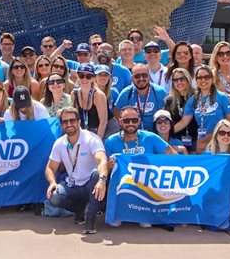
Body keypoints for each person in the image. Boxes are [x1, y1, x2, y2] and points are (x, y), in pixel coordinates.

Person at [45, 106, 109, 234]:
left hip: (91, 185)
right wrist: (52, 182)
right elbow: (50, 168)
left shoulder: (91, 139)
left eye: (72, 121)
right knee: (55, 196)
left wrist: (102, 180)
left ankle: (90, 218)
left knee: (97, 174)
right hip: (73, 185)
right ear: (61, 125)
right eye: (65, 122)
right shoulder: (59, 143)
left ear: (79, 122)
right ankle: (79, 210)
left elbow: (102, 161)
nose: (69, 124)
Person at [181, 65, 230, 152]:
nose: (203, 80)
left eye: (206, 77)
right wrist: (166, 130)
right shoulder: (193, 100)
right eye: (200, 77)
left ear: (212, 79)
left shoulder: (222, 97)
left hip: (219, 140)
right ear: (196, 80)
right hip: (201, 140)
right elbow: (183, 122)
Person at [115, 63, 167, 133]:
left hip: (156, 134)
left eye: (144, 75)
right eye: (137, 76)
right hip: (133, 134)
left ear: (149, 76)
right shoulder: (126, 93)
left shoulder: (160, 92)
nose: (141, 78)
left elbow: (166, 115)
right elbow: (117, 113)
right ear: (132, 78)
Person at [161, 68, 196, 152]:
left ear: (188, 80)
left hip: (196, 138)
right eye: (175, 80)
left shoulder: (197, 97)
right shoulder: (169, 100)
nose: (179, 82)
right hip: (176, 140)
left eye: (182, 79)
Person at [71, 65, 109, 138]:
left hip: (106, 129)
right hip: (88, 130)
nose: (84, 79)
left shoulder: (98, 95)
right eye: (81, 75)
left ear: (93, 78)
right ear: (77, 76)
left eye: (88, 76)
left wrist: (97, 141)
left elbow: (103, 122)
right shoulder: (74, 94)